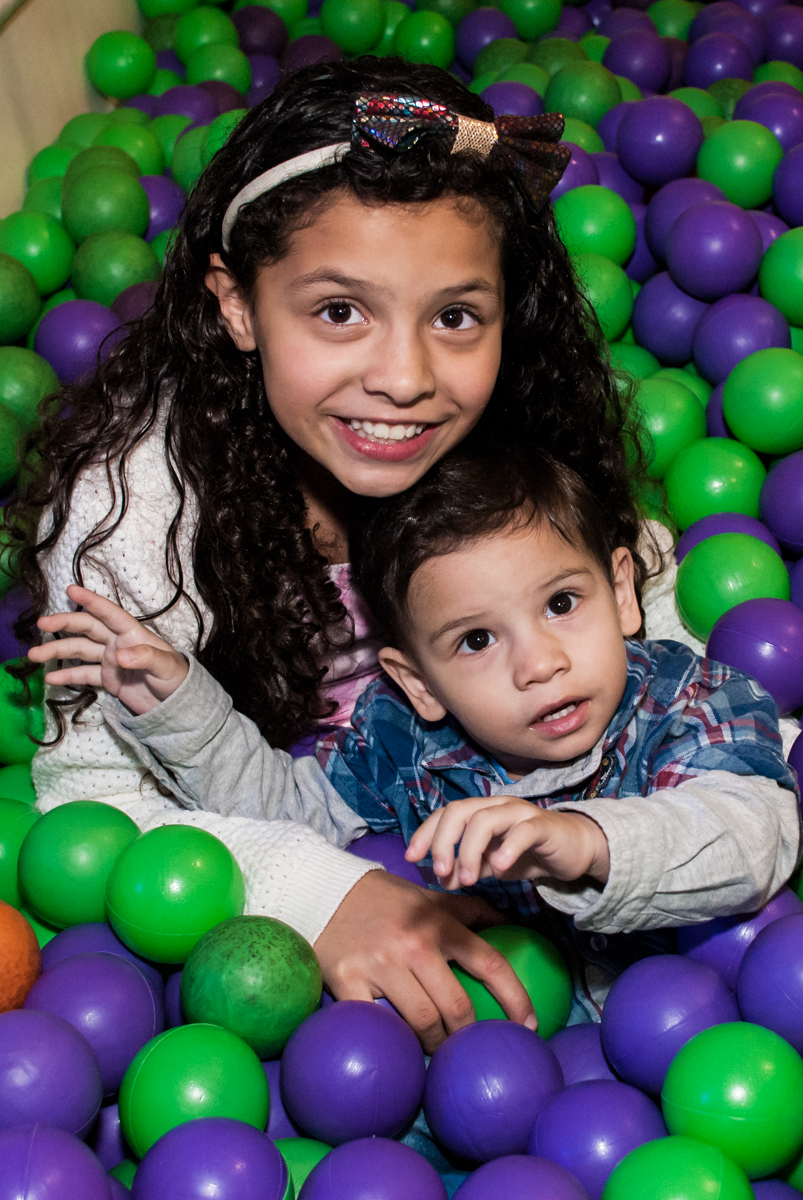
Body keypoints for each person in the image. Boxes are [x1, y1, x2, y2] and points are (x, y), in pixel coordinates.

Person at [13, 55, 683, 1049]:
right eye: (338, 312)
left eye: (455, 317)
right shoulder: (134, 509)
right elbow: (93, 803)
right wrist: (322, 896)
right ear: (237, 305)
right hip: (275, 803)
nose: (404, 378)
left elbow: (648, 642)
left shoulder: (515, 445)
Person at [29, 448, 800, 1022]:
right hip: (512, 1048)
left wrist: (582, 840)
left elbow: (753, 832)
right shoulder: (405, 741)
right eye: (475, 641)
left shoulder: (689, 701)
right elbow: (282, 809)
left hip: (732, 1009)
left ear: (623, 591)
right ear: (417, 681)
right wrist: (180, 706)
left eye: (562, 603)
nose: (539, 663)